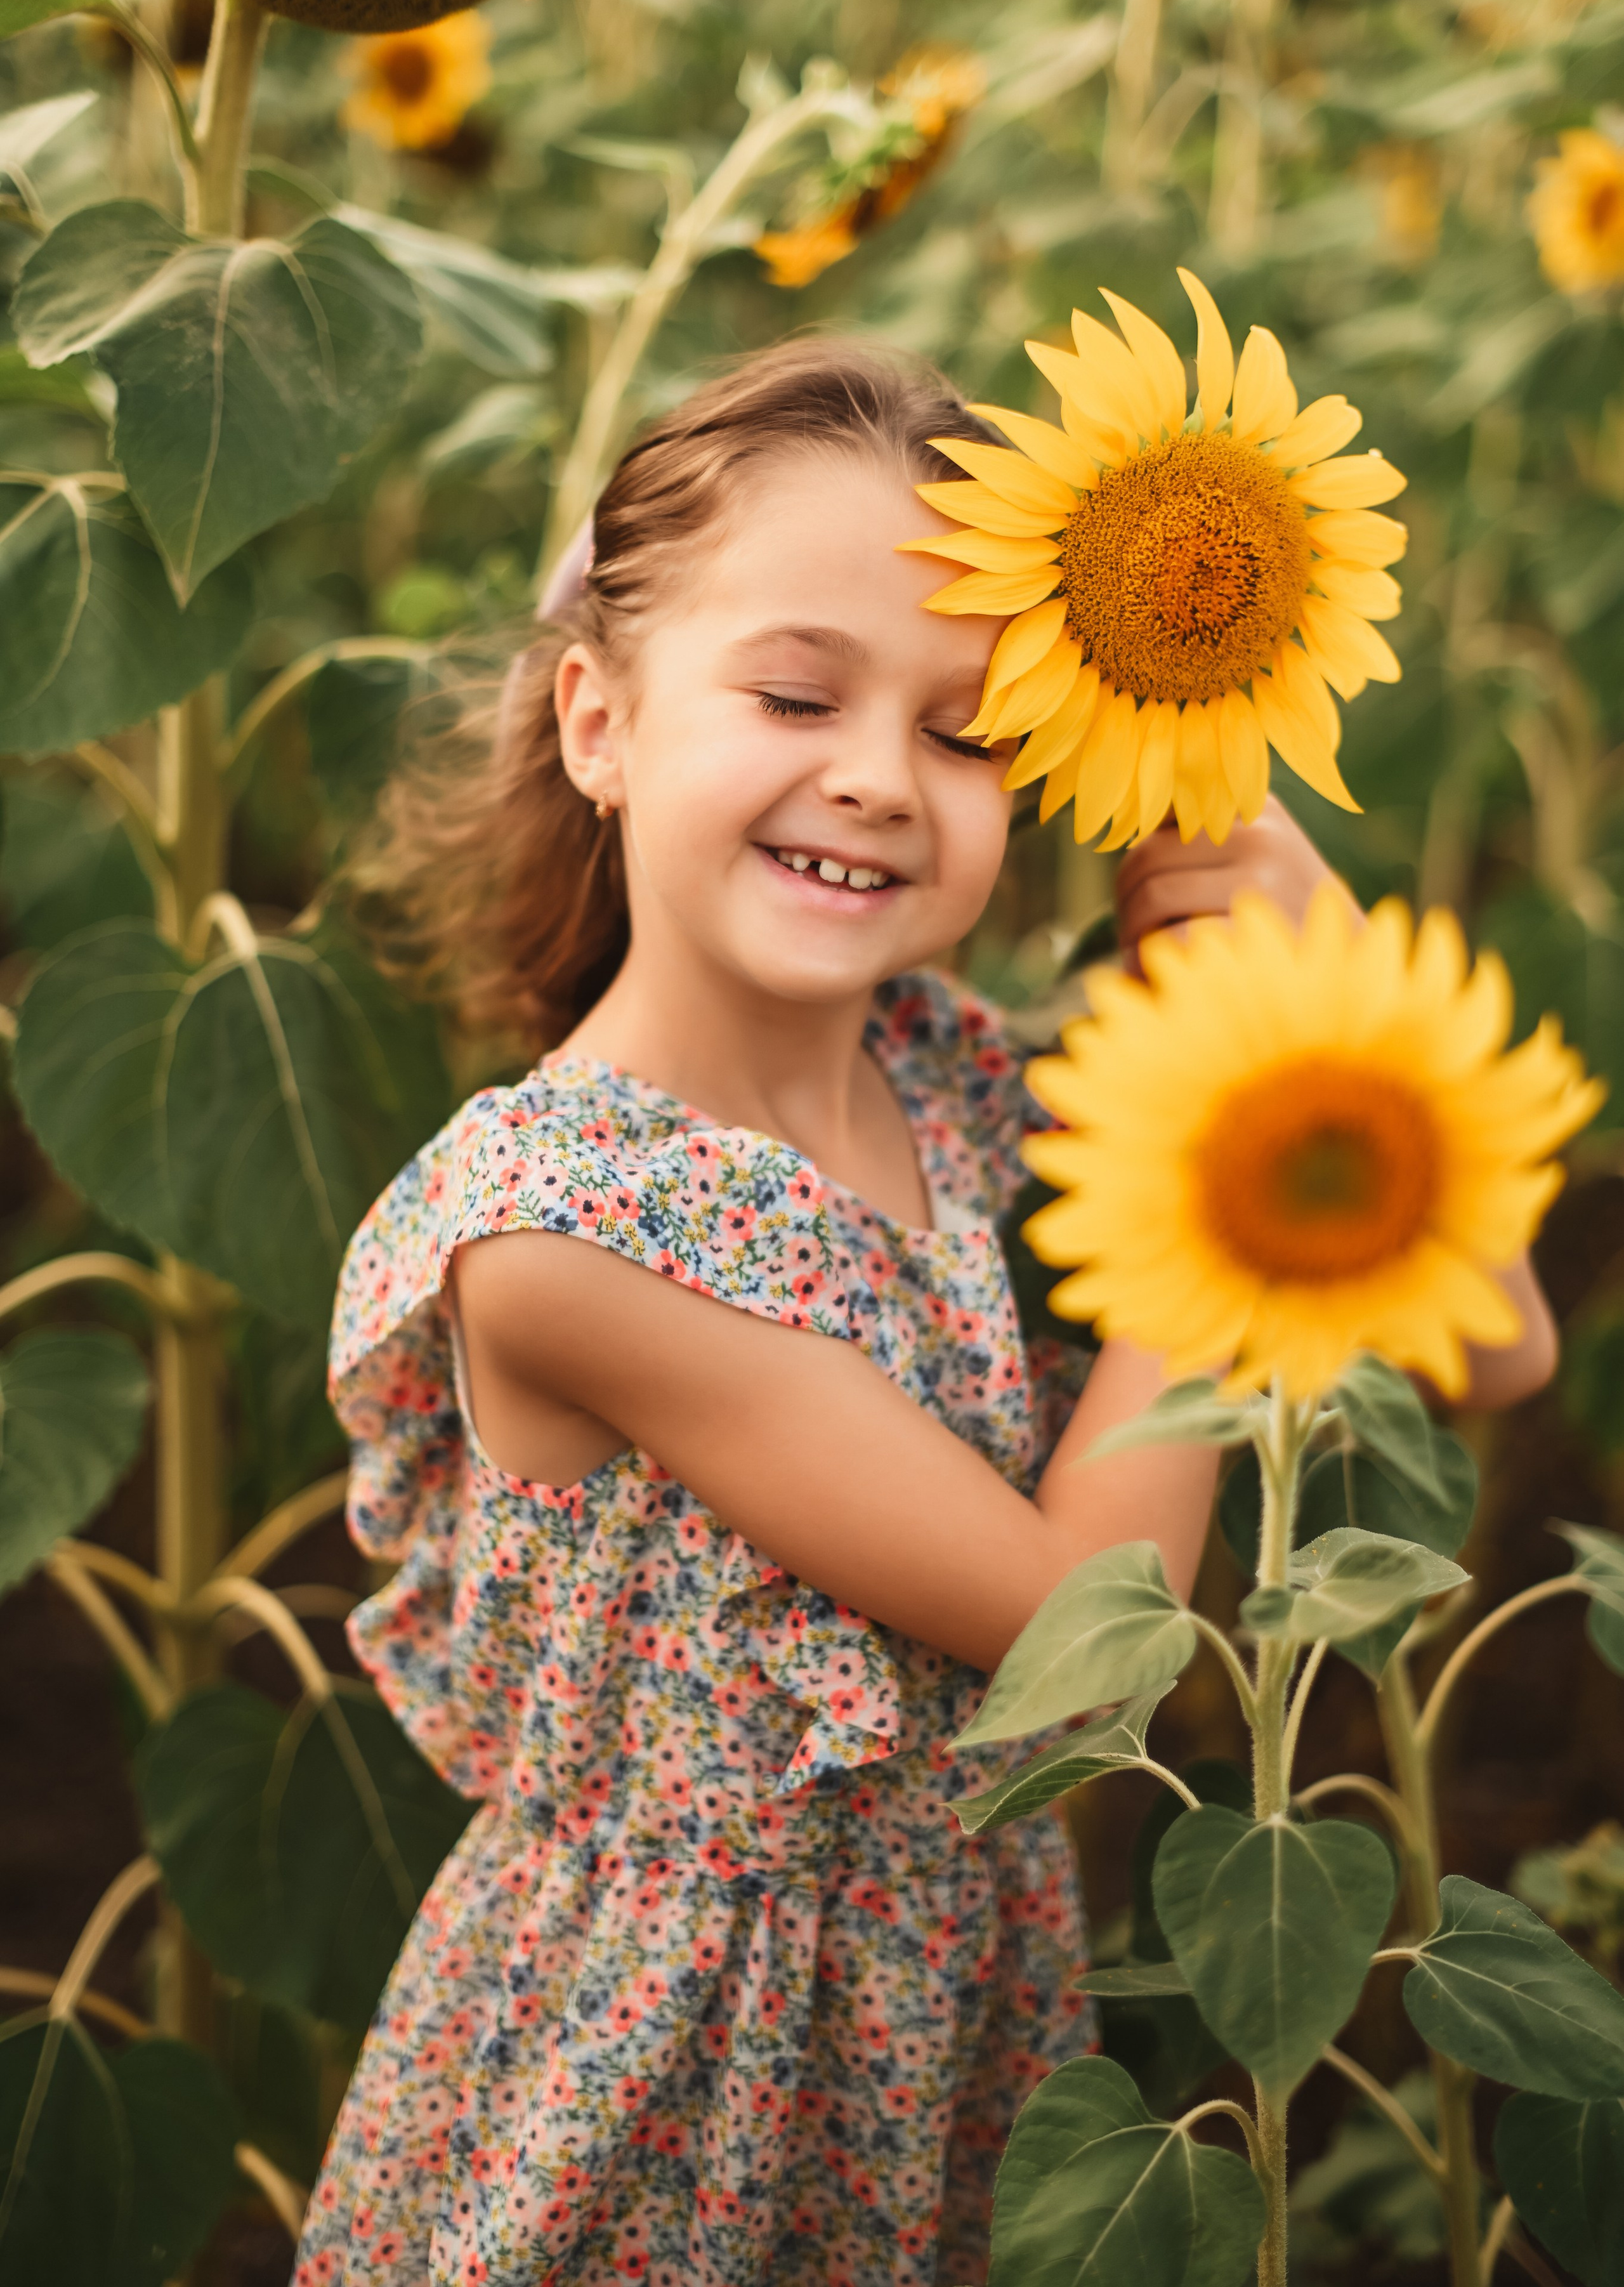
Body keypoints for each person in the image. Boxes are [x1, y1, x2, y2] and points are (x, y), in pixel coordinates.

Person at [293, 337, 1557, 2287]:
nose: (878, 777)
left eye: (970, 735)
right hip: (657, 2097)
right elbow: (1086, 1639)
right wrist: (1231, 1143)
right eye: (795, 692)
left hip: (937, 2029)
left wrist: (1316, 972)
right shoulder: (567, 1231)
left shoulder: (949, 1073)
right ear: (598, 722)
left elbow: (1494, 1344)